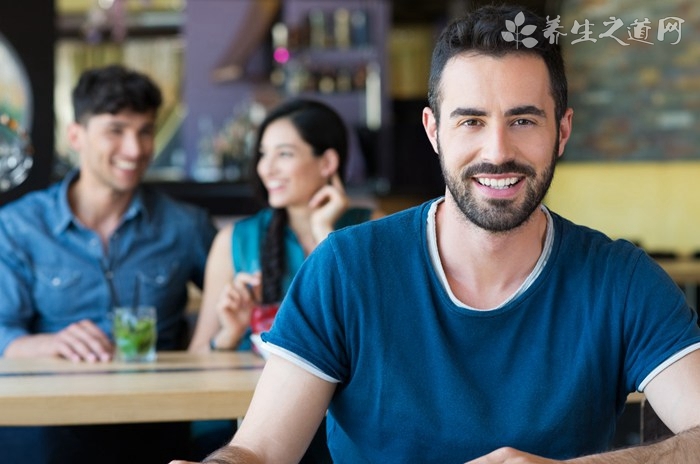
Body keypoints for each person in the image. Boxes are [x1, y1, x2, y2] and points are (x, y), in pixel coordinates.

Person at [171, 5, 700, 464]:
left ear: (561, 130)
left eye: (523, 121)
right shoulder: (347, 268)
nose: (496, 151)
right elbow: (259, 450)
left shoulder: (621, 280)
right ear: (433, 131)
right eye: (470, 121)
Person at [0, 64, 217, 464]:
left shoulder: (186, 226)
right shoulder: (18, 226)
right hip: (50, 427)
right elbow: (2, 332)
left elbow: (233, 306)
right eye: (116, 130)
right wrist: (52, 343)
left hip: (155, 428)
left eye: (145, 131)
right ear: (75, 136)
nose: (135, 150)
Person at [187, 97, 383, 461]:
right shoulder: (235, 240)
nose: (267, 168)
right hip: (251, 425)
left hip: (349, 419)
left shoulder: (373, 228)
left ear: (327, 162)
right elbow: (198, 359)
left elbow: (382, 336)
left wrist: (326, 234)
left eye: (284, 154)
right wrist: (228, 335)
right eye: (263, 154)